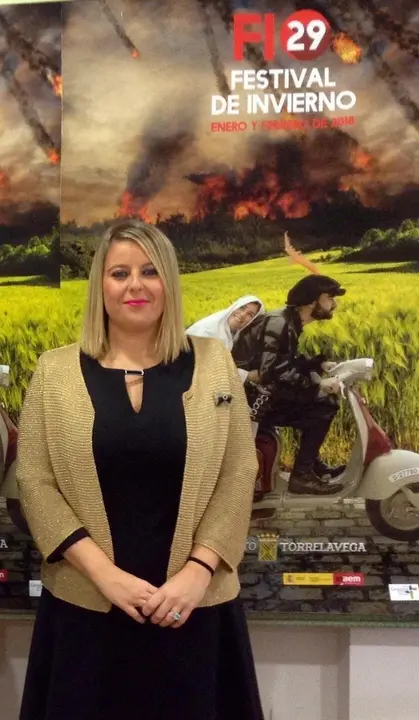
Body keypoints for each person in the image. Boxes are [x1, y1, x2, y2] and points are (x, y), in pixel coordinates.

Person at [16, 219, 264, 720]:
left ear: (168, 282)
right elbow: (35, 482)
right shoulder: (54, 371)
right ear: (100, 286)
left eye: (150, 272)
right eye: (120, 273)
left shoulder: (214, 363)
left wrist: (197, 572)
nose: (135, 285)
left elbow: (239, 471)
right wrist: (106, 576)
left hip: (192, 608)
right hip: (87, 609)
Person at [232, 273, 346, 496]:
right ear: (312, 301)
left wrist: (317, 364)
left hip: (259, 392)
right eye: (330, 298)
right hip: (252, 399)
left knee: (319, 402)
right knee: (324, 406)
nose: (334, 304)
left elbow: (285, 360)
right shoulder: (280, 323)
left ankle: (311, 465)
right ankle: (302, 475)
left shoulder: (288, 320)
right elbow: (272, 372)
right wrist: (318, 385)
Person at [187, 294, 265, 384]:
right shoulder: (209, 332)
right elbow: (211, 371)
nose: (242, 315)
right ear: (234, 306)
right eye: (242, 308)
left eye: (250, 314)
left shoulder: (232, 331)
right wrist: (248, 376)